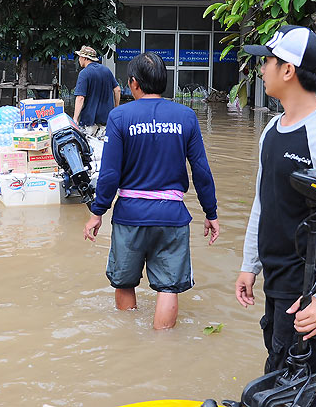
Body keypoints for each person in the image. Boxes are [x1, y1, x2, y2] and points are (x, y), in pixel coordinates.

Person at [235, 25, 316, 407]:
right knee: (283, 386)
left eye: (268, 60)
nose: (262, 68)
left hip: (309, 295)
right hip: (276, 286)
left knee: (295, 391)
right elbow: (263, 202)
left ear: (288, 70)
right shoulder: (272, 130)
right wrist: (249, 265)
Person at [83, 52, 219, 330]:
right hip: (172, 217)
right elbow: (201, 171)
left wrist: (97, 212)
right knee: (168, 287)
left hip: (130, 216)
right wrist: (211, 212)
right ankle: (164, 349)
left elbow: (109, 173)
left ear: (134, 83)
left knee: (124, 281)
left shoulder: (119, 116)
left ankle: (129, 344)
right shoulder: (186, 116)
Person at [73, 45, 120, 136]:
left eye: (79, 57)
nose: (79, 59)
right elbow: (117, 89)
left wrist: (75, 119)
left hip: (89, 123)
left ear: (84, 58)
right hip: (106, 122)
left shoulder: (84, 73)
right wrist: (116, 107)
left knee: (90, 148)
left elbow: (80, 97)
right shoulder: (106, 70)